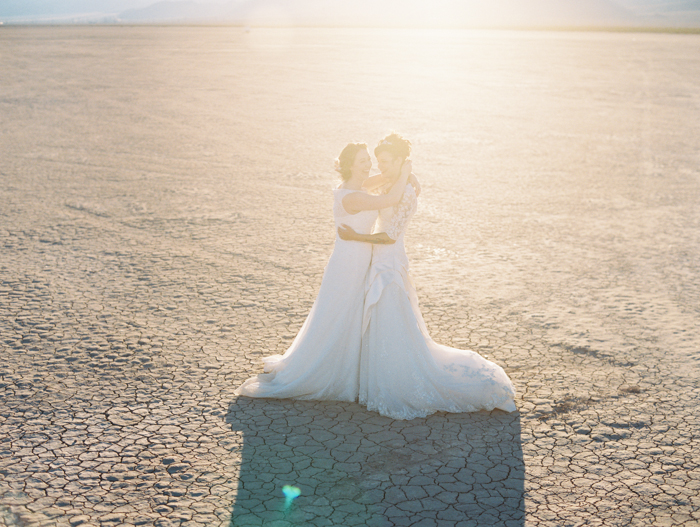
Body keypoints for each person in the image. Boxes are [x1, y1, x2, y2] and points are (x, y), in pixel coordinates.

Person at [338, 133, 516, 420]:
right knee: (382, 325)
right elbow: (371, 188)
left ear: (398, 160)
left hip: (390, 265)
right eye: (378, 162)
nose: (379, 167)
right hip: (378, 263)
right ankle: (379, 377)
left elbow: (390, 235)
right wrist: (406, 172)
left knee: (391, 322)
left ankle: (401, 383)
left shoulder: (406, 193)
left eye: (385, 162)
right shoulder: (391, 182)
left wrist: (355, 236)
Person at [234, 142, 412, 401]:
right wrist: (406, 170)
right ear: (351, 165)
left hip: (352, 259)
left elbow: (385, 179)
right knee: (341, 314)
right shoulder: (354, 196)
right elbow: (391, 198)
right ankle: (328, 369)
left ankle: (349, 366)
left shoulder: (354, 188)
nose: (369, 165)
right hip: (351, 262)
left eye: (368, 161)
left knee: (345, 313)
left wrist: (408, 174)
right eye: (363, 161)